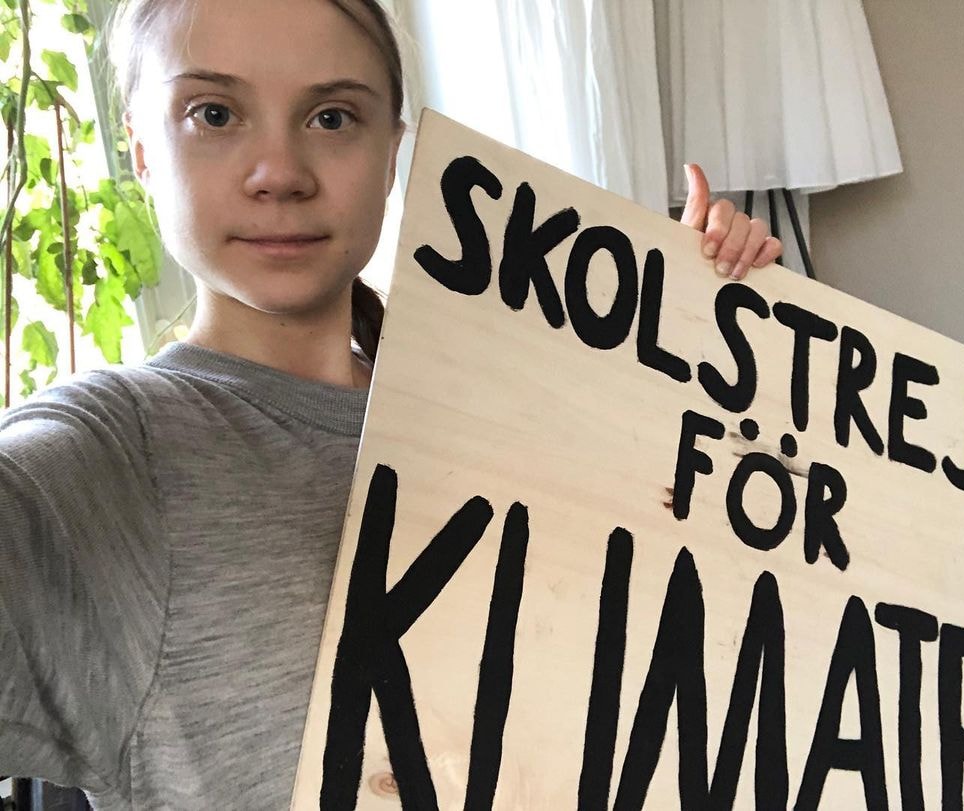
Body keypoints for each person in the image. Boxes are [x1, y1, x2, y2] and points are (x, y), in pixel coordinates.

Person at [0, 0, 783, 807]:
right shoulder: (109, 457)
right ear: (140, 149)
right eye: (215, 114)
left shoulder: (513, 405)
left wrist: (709, 341)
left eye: (332, 117)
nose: (281, 172)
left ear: (392, 155)